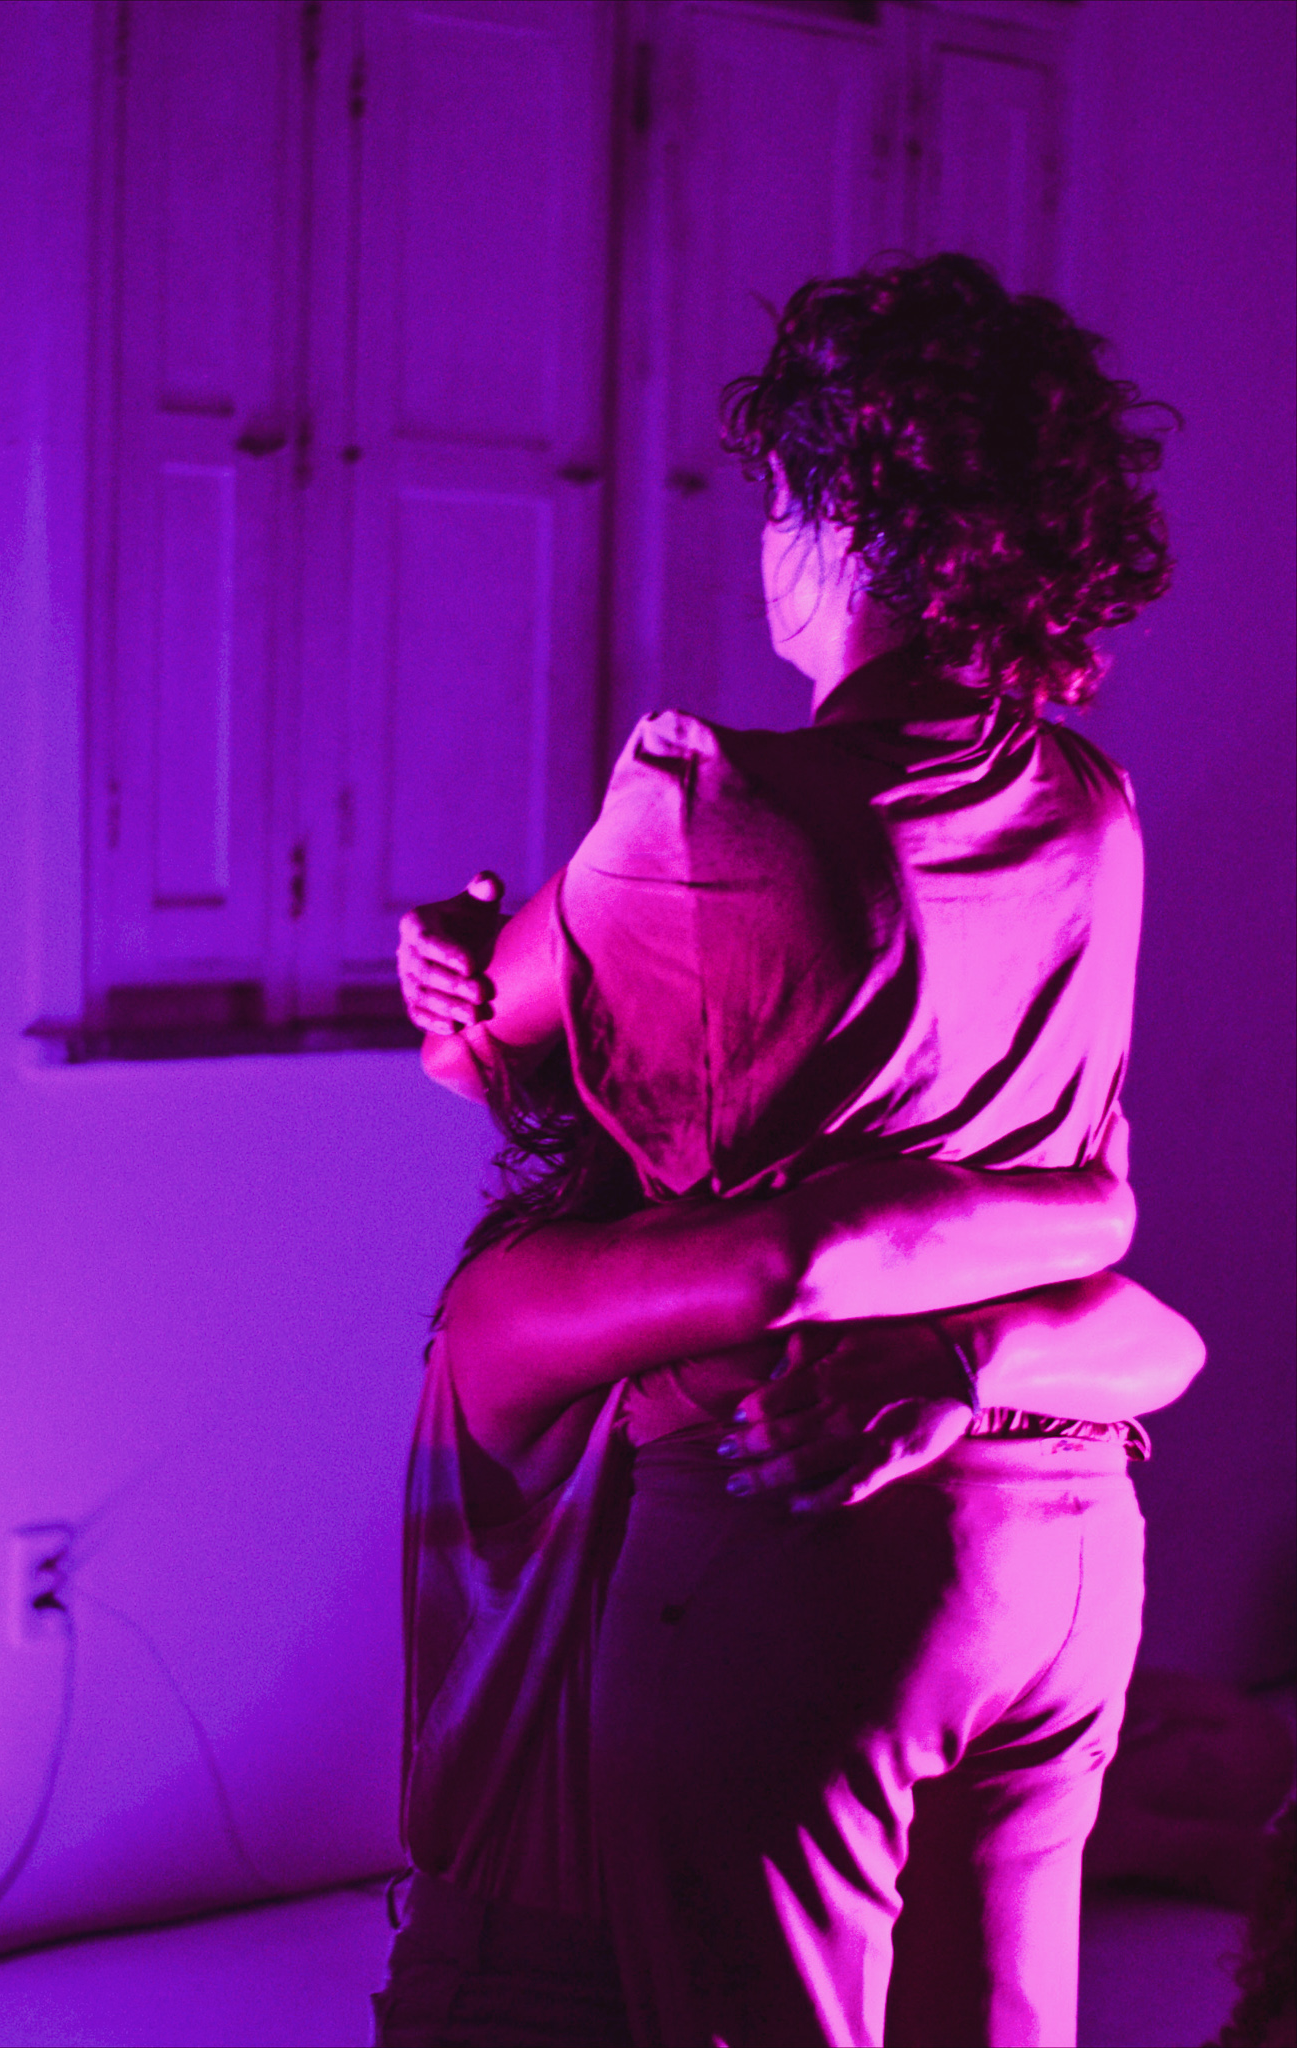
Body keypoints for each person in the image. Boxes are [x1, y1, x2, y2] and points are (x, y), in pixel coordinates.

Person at [394, 254, 1183, 2044]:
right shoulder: (1093, 809)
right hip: (1066, 1537)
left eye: (773, 502)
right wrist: (1080, 1217)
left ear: (836, 518)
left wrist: (449, 960)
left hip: (798, 1538)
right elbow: (1095, 1215)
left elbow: (492, 1048)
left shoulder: (709, 811)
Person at [374, 1046, 1201, 2048]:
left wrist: (965, 1357)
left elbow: (1162, 1341)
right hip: (535, 1983)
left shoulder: (874, 1295)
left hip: (756, 1911)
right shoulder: (521, 1290)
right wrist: (1093, 1208)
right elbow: (789, 1263)